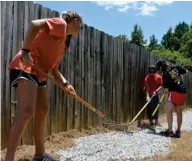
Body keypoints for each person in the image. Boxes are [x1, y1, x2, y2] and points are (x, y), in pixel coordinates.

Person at [5, 11, 83, 161]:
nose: (82, 27)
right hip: (26, 66)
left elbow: (53, 69)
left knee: (42, 110)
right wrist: (26, 52)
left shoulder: (63, 42)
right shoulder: (61, 24)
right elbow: (34, 25)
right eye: (81, 23)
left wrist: (66, 84)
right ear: (74, 20)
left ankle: (39, 156)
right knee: (27, 110)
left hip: (39, 73)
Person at [156, 60, 187, 138]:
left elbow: (166, 91)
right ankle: (178, 131)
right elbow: (184, 71)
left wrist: (166, 102)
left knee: (169, 112)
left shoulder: (165, 75)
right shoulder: (174, 70)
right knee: (179, 112)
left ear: (161, 68)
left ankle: (170, 131)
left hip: (174, 93)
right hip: (183, 92)